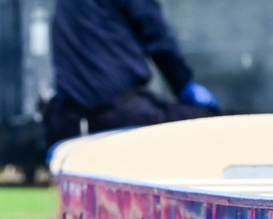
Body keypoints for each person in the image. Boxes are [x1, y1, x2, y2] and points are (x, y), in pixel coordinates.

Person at [44, 0, 221, 147]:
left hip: (68, 122)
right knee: (212, 123)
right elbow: (157, 38)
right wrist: (183, 85)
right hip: (120, 115)